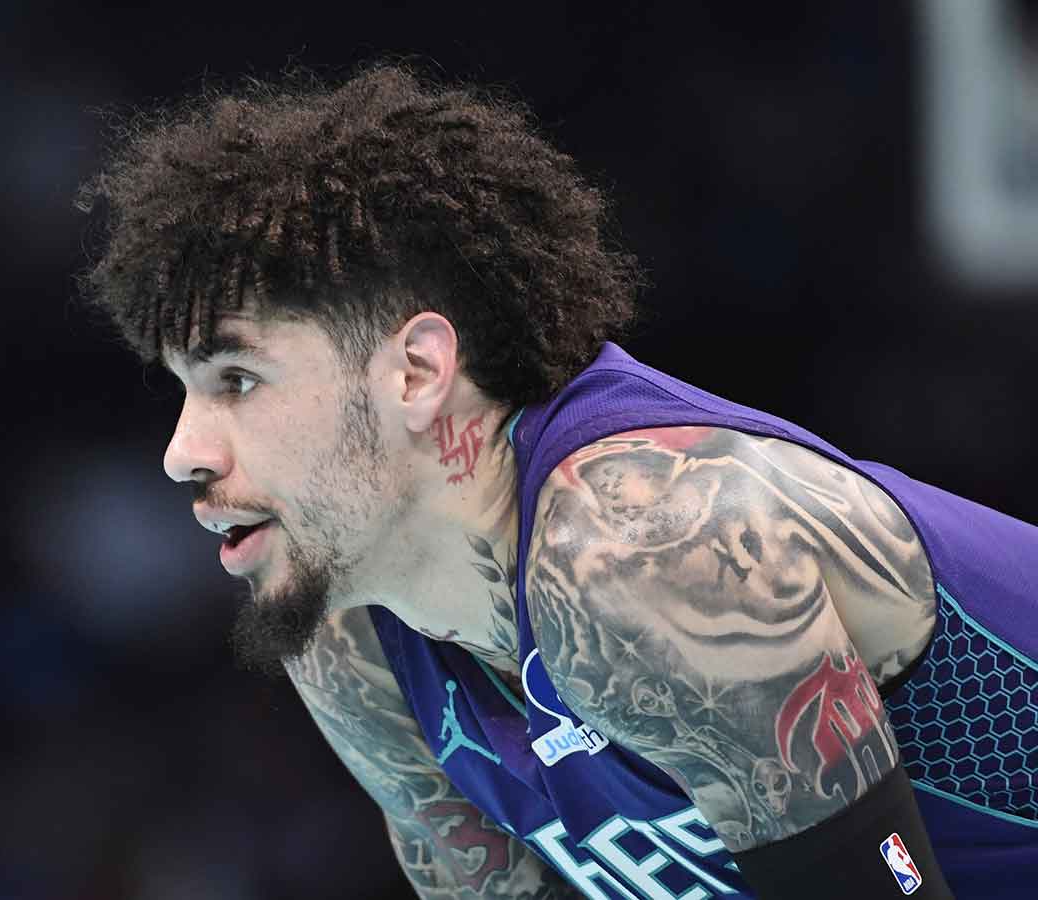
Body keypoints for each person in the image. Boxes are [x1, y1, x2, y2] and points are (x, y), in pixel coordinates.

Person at [76, 63, 1038, 899]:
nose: (182, 451)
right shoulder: (349, 640)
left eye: (235, 379)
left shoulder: (646, 546)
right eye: (182, 391)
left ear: (414, 374)